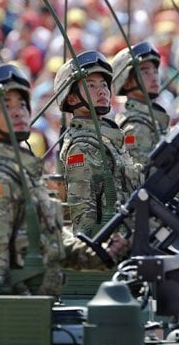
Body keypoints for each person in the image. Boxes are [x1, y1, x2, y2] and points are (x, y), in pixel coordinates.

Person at [0, 63, 126, 296]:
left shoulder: (22, 173)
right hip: (23, 316)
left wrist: (101, 255)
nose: (19, 112)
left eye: (21, 104)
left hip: (41, 305)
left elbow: (53, 242)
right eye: (5, 107)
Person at [54, 51, 141, 237]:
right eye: (91, 86)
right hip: (113, 243)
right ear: (71, 98)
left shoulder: (109, 137)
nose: (102, 91)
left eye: (104, 85)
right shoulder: (81, 146)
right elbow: (84, 219)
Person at [111, 41, 169, 166]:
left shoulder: (150, 117)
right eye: (145, 72)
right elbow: (143, 175)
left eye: (155, 71)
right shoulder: (135, 126)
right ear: (127, 82)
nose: (154, 77)